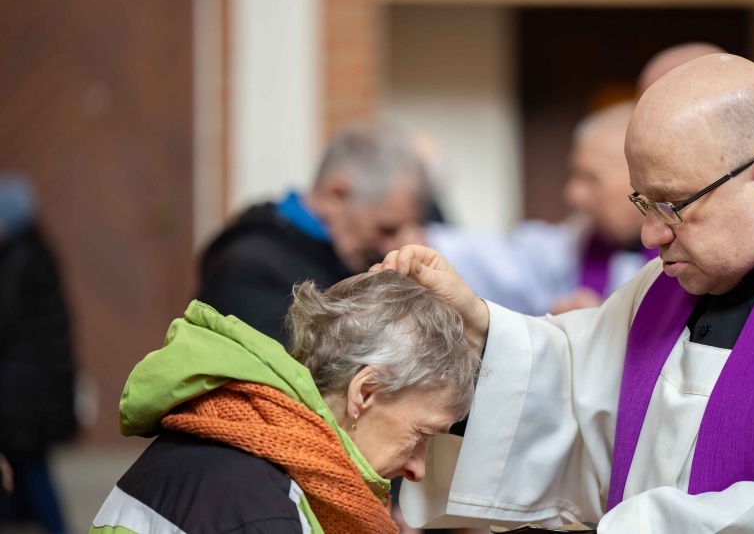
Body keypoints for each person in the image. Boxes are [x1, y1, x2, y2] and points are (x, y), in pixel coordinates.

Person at [376, 54, 754, 532]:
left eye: (672, 206)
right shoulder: (673, 281)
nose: (651, 236)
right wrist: (476, 322)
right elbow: (578, 390)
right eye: (642, 203)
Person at [90, 270, 481, 533]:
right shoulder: (267, 511)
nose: (418, 469)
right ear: (364, 392)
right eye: (421, 434)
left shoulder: (230, 433)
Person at [424, 43, 725, 316]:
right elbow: (515, 259)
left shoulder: (713, 239)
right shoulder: (583, 240)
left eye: (591, 178)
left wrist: (608, 321)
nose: (574, 195)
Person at [197, 122, 429, 346]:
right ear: (335, 196)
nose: (390, 246)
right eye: (385, 229)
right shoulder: (249, 270)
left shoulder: (348, 260)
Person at [0, 174, 76, 534]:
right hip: (30, 390)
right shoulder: (33, 252)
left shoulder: (19, 260)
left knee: (31, 468)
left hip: (22, 394)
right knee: (27, 468)